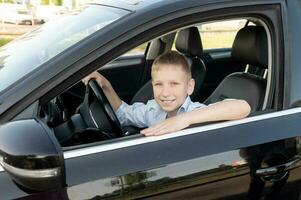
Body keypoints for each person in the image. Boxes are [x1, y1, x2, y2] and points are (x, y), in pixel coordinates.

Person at [82, 51, 251, 136]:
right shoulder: (153, 109)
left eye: (174, 84)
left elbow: (242, 107)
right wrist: (106, 86)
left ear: (190, 86)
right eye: (158, 84)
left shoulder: (196, 112)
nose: (165, 92)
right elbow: (123, 114)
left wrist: (183, 120)